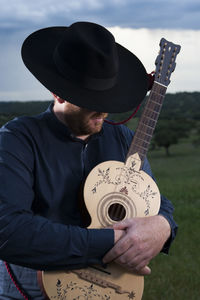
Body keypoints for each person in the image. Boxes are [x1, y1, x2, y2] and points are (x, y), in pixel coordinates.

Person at [0, 21, 177, 299]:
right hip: (27, 291)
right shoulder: (16, 139)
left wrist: (164, 225)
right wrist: (114, 243)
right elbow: (9, 229)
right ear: (58, 93)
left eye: (107, 98)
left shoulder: (122, 140)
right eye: (90, 99)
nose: (104, 111)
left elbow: (150, 197)